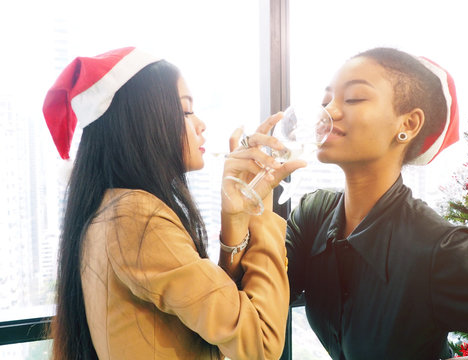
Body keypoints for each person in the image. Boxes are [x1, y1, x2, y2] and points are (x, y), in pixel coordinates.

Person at [42, 47, 303, 360]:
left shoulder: (111, 208)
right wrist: (261, 210)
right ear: (141, 123)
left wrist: (236, 218)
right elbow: (261, 342)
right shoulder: (134, 217)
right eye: (186, 111)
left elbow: (216, 317)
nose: (201, 124)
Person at [280, 47, 468, 359]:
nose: (329, 112)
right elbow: (252, 303)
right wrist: (239, 211)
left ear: (408, 124)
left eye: (353, 99)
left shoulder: (436, 249)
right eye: (326, 101)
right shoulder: (313, 215)